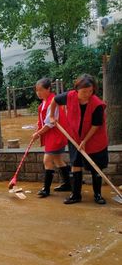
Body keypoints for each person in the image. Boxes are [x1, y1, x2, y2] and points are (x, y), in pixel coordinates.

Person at [50, 74, 109, 205]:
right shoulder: (69, 96)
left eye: (90, 91)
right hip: (74, 137)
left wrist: (85, 141)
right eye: (84, 91)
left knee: (96, 167)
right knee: (75, 164)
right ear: (77, 89)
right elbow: (55, 100)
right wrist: (52, 116)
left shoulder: (97, 104)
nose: (87, 94)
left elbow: (96, 125)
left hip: (95, 139)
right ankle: (75, 195)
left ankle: (97, 195)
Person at [31, 78, 70, 198]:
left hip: (56, 135)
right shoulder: (43, 103)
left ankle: (46, 189)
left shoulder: (53, 101)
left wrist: (38, 133)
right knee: (58, 160)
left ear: (48, 89)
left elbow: (50, 123)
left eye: (41, 90)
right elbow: (42, 122)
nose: (38, 93)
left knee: (47, 160)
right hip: (50, 135)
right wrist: (38, 132)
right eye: (37, 90)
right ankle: (68, 183)